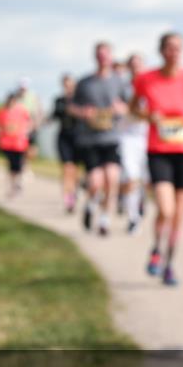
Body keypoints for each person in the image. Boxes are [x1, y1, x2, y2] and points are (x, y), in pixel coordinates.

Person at [132, 34, 183, 285]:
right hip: (159, 150)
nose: (174, 53)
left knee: (179, 215)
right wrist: (148, 116)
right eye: (169, 48)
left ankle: (169, 264)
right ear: (161, 51)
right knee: (166, 208)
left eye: (178, 49)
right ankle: (156, 248)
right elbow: (134, 108)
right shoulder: (146, 79)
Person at [70, 42, 127, 237]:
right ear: (95, 57)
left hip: (112, 137)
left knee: (112, 178)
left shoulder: (120, 82)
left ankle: (104, 220)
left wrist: (122, 109)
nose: (103, 58)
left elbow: (132, 106)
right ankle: (91, 203)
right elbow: (71, 107)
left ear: (111, 57)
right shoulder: (85, 82)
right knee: (95, 182)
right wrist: (83, 112)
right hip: (90, 139)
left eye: (106, 54)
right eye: (99, 55)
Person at [118, 53, 150, 234]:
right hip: (128, 137)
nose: (136, 68)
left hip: (148, 135)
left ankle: (139, 202)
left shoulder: (151, 85)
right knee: (131, 176)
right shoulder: (123, 87)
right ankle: (132, 217)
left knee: (146, 179)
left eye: (139, 64)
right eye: (133, 65)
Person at [0, 92, 31, 198]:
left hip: (19, 142)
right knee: (11, 165)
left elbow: (29, 123)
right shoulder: (1, 111)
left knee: (19, 164)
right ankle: (13, 185)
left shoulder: (22, 111)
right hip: (7, 143)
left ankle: (18, 182)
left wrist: (26, 132)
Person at [51, 74, 81, 213]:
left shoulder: (80, 101)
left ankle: (74, 190)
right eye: (66, 85)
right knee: (67, 168)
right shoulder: (59, 101)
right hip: (64, 137)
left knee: (75, 170)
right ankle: (68, 198)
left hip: (78, 138)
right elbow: (55, 115)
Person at [16, 77, 44, 160]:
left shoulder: (33, 96)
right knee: (20, 147)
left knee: (31, 148)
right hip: (19, 126)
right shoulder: (16, 97)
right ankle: (23, 164)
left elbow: (38, 111)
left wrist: (37, 123)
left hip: (31, 124)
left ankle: (25, 162)